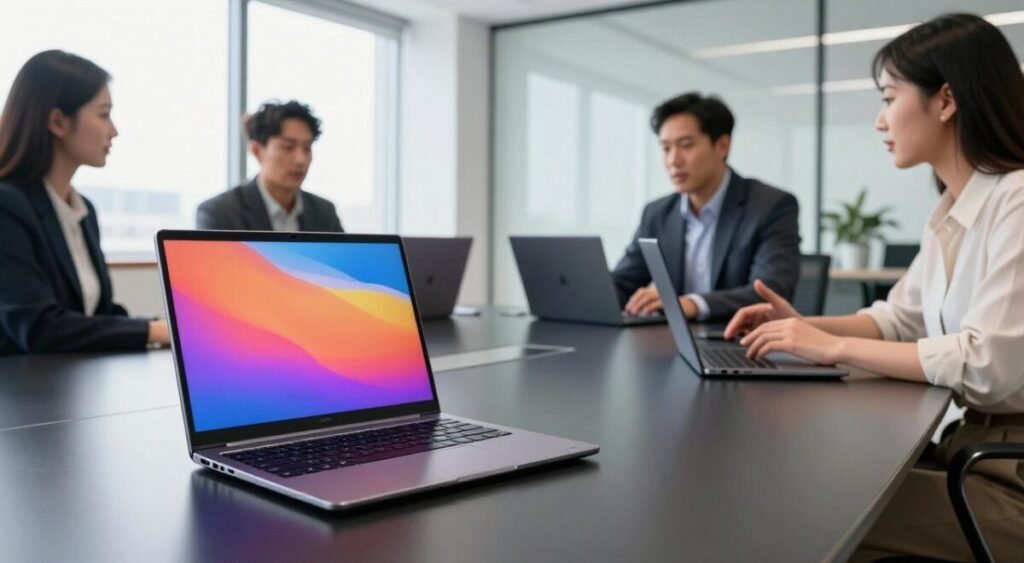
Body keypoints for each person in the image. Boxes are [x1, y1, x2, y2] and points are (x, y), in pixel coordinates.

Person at [723, 13, 1024, 561]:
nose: (880, 120)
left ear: (946, 100)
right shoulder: (952, 210)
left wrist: (833, 347)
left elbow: (989, 366)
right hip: (971, 451)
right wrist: (801, 327)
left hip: (1009, 477)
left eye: (889, 98)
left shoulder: (1017, 201)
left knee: (815, 511)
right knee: (808, 484)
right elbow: (897, 319)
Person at [0, 50, 169, 354]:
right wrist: (153, 330)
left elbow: (98, 314)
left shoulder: (83, 210)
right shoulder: (6, 206)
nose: (114, 130)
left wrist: (165, 326)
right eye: (104, 115)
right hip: (23, 395)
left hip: (73, 388)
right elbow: (40, 327)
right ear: (58, 122)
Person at [611, 92, 801, 323]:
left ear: (722, 145)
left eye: (686, 145)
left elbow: (771, 293)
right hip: (670, 345)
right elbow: (622, 283)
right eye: (665, 148)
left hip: (740, 343)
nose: (673, 160)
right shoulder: (657, 213)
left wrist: (692, 303)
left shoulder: (770, 206)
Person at [196, 100, 343, 232]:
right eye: (288, 147)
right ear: (257, 150)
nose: (301, 159)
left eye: (307, 148)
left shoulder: (324, 212)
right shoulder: (221, 212)